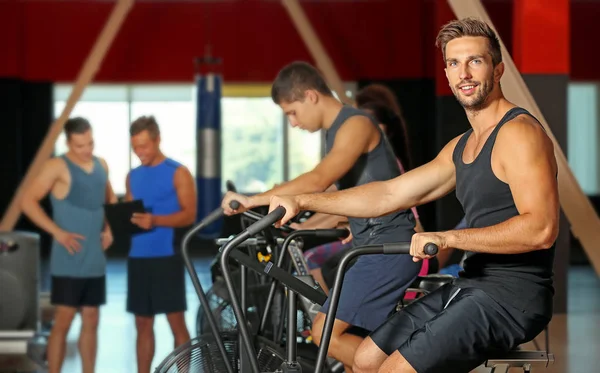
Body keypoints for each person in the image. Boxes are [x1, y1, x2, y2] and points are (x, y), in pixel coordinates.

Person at [267, 17, 558, 373]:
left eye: (475, 61)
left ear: (497, 70)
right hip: (471, 284)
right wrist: (302, 200)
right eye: (454, 63)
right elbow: (387, 194)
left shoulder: (519, 133)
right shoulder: (461, 146)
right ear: (447, 74)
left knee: (394, 370)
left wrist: (448, 236)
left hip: (512, 298)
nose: (463, 73)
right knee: (365, 359)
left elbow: (541, 229)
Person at [222, 61, 422, 372]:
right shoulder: (335, 132)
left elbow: (318, 180)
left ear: (311, 96)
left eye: (292, 112)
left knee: (324, 334)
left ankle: (413, 365)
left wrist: (251, 201)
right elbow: (336, 191)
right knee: (351, 349)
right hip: (368, 246)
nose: (292, 122)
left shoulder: (356, 124)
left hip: (387, 249)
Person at [21, 117, 117, 373]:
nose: (87, 150)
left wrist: (109, 228)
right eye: (80, 146)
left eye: (90, 143)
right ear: (68, 143)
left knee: (92, 319)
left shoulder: (102, 165)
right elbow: (27, 201)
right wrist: (58, 233)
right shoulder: (56, 166)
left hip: (94, 258)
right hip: (69, 257)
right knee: (63, 321)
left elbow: (109, 200)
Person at [124, 116, 196, 373]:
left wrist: (154, 220)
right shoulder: (132, 176)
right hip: (137, 257)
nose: (139, 152)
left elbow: (189, 214)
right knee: (142, 323)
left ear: (157, 140)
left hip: (166, 256)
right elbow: (130, 216)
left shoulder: (179, 172)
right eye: (135, 147)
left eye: (144, 146)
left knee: (175, 321)